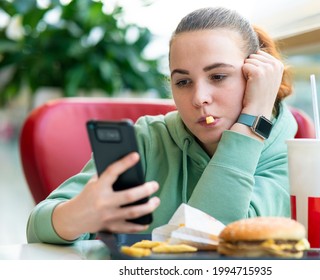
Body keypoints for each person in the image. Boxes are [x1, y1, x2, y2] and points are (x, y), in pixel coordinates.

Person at [26, 7, 297, 244]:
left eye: (218, 76)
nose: (199, 98)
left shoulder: (289, 156)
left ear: (255, 77)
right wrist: (77, 216)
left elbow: (209, 243)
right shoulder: (146, 139)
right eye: (183, 82)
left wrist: (253, 121)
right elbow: (37, 227)